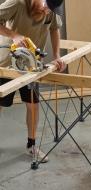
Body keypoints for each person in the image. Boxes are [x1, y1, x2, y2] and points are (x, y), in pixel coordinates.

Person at [0, 0, 65, 163]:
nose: (46, 11)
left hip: (30, 65)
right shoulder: (17, 3)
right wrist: (14, 35)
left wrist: (57, 55)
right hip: (7, 62)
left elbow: (55, 29)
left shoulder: (52, 8)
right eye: (45, 6)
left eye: (50, 9)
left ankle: (32, 145)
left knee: (33, 106)